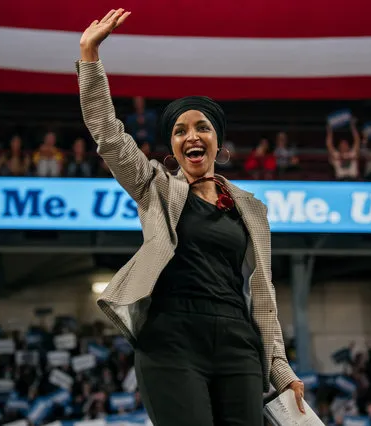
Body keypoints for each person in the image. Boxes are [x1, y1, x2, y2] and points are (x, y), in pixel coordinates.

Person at [77, 8, 304, 426]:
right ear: (173, 146)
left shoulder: (250, 207)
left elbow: (264, 296)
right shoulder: (155, 186)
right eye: (180, 131)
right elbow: (108, 135)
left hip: (238, 342)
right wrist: (90, 57)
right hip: (171, 338)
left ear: (218, 141)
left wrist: (282, 371)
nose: (191, 136)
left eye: (201, 127)